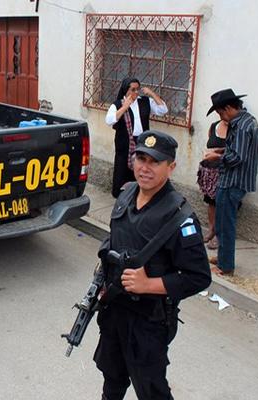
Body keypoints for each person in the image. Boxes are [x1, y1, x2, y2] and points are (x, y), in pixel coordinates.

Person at [95, 130, 211, 400]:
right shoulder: (126, 194)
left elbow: (199, 277)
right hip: (114, 310)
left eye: (154, 162)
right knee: (112, 378)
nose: (144, 168)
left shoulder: (180, 217)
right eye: (141, 158)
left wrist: (149, 284)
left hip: (148, 320)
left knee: (151, 389)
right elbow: (115, 242)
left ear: (171, 167)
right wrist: (103, 282)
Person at [204, 89, 258, 276]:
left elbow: (237, 157)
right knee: (221, 222)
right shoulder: (246, 120)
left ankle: (225, 266)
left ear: (228, 108)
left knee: (225, 224)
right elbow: (234, 149)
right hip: (231, 180)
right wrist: (220, 151)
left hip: (233, 181)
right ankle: (222, 257)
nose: (221, 116)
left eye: (220, 112)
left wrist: (215, 158)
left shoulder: (242, 126)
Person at [105, 78, 168, 198]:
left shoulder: (144, 101)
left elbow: (163, 110)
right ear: (125, 90)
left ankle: (138, 196)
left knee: (140, 169)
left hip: (142, 142)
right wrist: (124, 107)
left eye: (137, 89)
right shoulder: (118, 104)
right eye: (132, 89)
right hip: (125, 143)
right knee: (122, 171)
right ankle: (121, 198)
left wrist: (151, 93)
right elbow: (109, 120)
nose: (136, 92)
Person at [197, 119, 229, 250]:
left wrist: (217, 153)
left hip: (224, 172)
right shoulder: (214, 126)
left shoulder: (236, 129)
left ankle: (219, 235)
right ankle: (211, 230)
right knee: (211, 202)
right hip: (210, 172)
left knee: (222, 203)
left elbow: (237, 151)